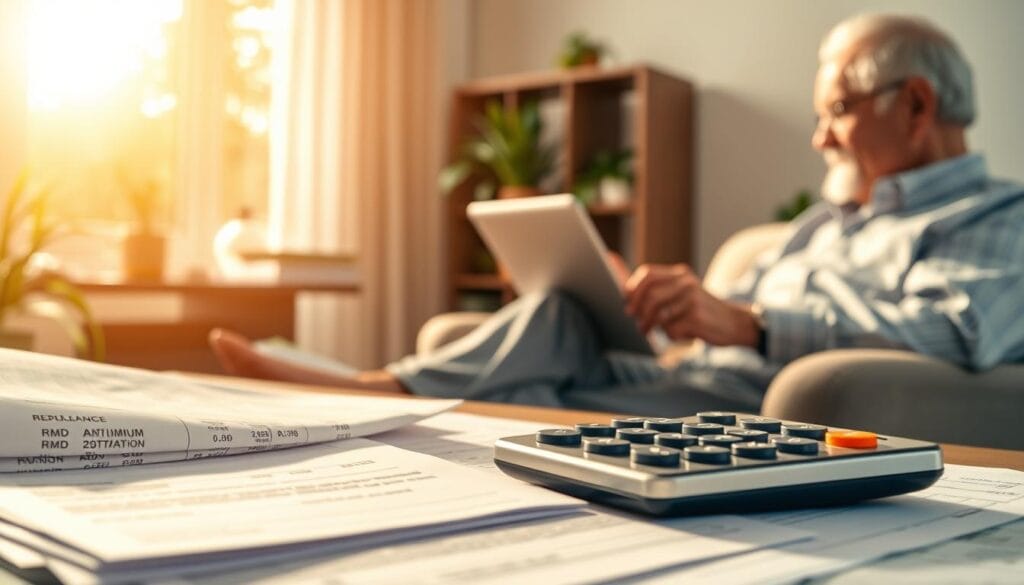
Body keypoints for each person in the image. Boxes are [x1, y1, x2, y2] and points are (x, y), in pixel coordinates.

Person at [210, 13, 1024, 415]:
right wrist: (661, 311)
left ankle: (367, 402)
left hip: (765, 401)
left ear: (915, 103)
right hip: (692, 375)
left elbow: (955, 328)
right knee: (560, 315)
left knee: (529, 401)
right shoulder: (823, 222)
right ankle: (373, 388)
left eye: (837, 109)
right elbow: (727, 326)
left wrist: (746, 320)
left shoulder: (998, 216)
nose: (819, 136)